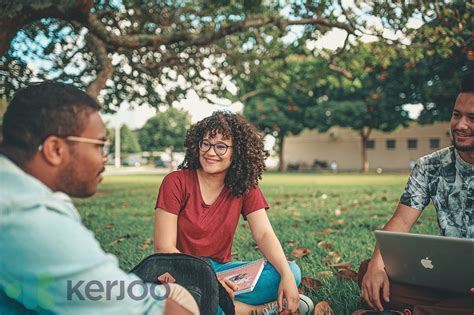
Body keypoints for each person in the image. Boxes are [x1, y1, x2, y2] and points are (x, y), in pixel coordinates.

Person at [0, 82, 198, 314]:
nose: (104, 158)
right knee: (182, 297)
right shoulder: (28, 218)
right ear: (55, 149)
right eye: (99, 146)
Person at [153, 111, 311, 314]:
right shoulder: (175, 182)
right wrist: (209, 282)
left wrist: (287, 276)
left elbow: (263, 234)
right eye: (206, 143)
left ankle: (218, 306)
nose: (210, 152)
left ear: (237, 152)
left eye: (221, 146)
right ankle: (260, 310)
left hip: (221, 271)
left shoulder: (244, 186)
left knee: (290, 270)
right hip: (181, 272)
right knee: (181, 300)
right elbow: (163, 249)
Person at [357, 74, 474, 314]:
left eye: (472, 118)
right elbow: (400, 221)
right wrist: (378, 266)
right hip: (448, 279)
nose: (460, 125)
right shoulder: (431, 166)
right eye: (456, 114)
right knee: (369, 272)